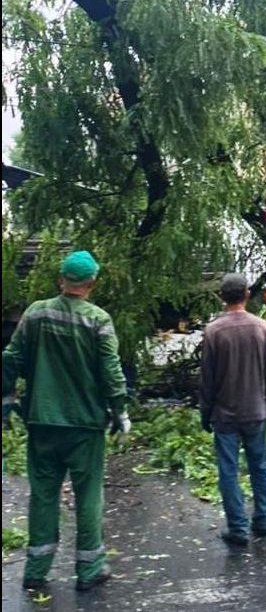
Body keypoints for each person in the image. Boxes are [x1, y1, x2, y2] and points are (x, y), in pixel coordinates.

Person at [2, 250, 129, 592]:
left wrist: (6, 401)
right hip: (85, 426)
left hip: (42, 421)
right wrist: (120, 411)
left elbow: (10, 358)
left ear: (61, 279)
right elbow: (111, 372)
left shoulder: (35, 313)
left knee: (43, 495)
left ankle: (36, 570)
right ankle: (89, 571)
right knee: (88, 497)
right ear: (91, 283)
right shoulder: (98, 319)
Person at [199, 273, 266, 545]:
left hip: (225, 414)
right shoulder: (262, 327)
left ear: (222, 297)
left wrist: (204, 413)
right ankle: (264, 521)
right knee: (260, 466)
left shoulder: (213, 331)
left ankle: (238, 528)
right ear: (246, 294)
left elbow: (207, 379)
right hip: (256, 410)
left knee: (228, 471)